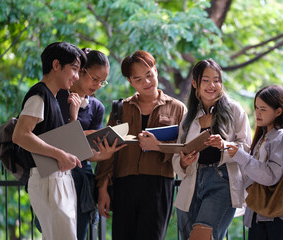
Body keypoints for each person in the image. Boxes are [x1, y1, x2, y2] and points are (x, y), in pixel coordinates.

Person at [95, 50, 186, 240]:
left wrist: (158, 146)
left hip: (159, 184)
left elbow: (185, 149)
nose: (146, 82)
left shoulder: (177, 108)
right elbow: (106, 151)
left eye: (149, 75)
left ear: (156, 71)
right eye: (138, 79)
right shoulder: (121, 109)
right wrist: (103, 189)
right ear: (130, 81)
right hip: (124, 185)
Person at [12, 42, 86, 240]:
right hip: (48, 179)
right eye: (74, 69)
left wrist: (73, 116)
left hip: (56, 179)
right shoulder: (39, 95)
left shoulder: (51, 97)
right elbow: (20, 135)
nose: (77, 76)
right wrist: (59, 154)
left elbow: (61, 142)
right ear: (56, 65)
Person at [172, 59, 251, 240]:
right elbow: (177, 156)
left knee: (202, 236)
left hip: (222, 180)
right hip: (191, 182)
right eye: (206, 80)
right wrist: (183, 161)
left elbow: (247, 149)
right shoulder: (188, 117)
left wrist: (225, 146)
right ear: (195, 83)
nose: (212, 85)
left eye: (216, 80)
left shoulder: (234, 110)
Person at [56, 48, 123, 240]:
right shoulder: (57, 97)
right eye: (95, 79)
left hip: (82, 177)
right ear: (80, 71)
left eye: (102, 82)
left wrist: (104, 155)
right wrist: (74, 117)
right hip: (58, 174)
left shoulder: (97, 107)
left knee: (79, 233)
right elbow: (60, 141)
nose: (98, 85)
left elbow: (88, 150)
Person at [227, 85, 283, 240]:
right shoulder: (265, 136)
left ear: (278, 111)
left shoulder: (281, 136)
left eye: (263, 109)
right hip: (264, 214)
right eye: (256, 108)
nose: (257, 113)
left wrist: (240, 155)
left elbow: (270, 176)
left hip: (281, 218)